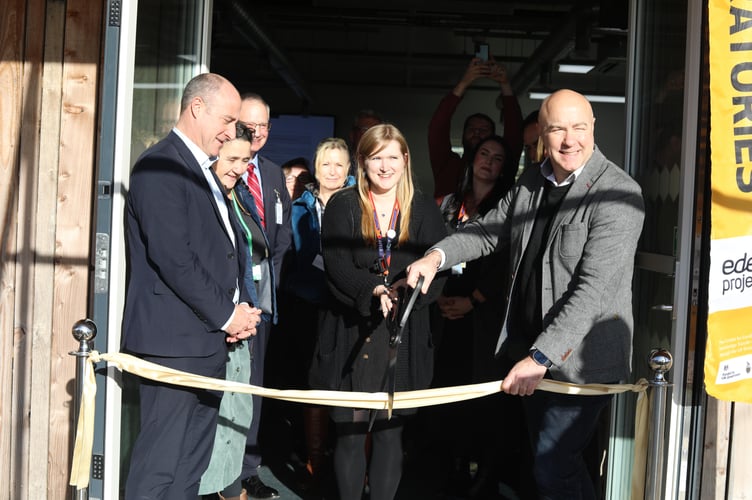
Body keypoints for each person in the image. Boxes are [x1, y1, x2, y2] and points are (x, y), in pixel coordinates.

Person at [406, 89, 645, 500]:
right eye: (557, 129)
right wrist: (436, 256)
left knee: (556, 465)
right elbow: (487, 232)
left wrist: (540, 357)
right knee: (544, 464)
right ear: (541, 138)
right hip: (530, 350)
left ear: (593, 129)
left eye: (579, 128)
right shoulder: (533, 181)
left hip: (578, 365)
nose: (570, 140)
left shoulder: (618, 195)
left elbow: (592, 291)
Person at [121, 73, 262, 500]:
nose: (231, 131)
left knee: (190, 468)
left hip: (206, 343)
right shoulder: (160, 166)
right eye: (227, 119)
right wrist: (227, 313)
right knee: (160, 468)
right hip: (173, 346)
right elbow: (175, 258)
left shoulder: (201, 169)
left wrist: (234, 314)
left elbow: (218, 252)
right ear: (196, 108)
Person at [308, 124, 447, 500]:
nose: (384, 167)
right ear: (362, 162)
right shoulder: (344, 205)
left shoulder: (422, 208)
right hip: (351, 335)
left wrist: (412, 291)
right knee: (350, 436)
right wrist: (372, 289)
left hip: (402, 336)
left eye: (392, 157)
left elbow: (440, 269)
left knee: (390, 435)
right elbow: (337, 265)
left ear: (405, 160)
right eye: (375, 158)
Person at [199, 124, 277, 500]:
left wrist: (247, 312)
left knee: (237, 417)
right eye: (232, 159)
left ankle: (231, 488)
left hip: (243, 322)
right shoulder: (201, 197)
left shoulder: (240, 196)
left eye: (246, 160)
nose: (239, 168)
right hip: (213, 326)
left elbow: (255, 252)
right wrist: (228, 316)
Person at [279, 138, 355, 490]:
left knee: (348, 383)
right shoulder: (300, 204)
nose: (333, 171)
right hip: (308, 304)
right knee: (313, 382)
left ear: (349, 169)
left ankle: (351, 465)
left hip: (349, 305)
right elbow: (290, 253)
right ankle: (314, 464)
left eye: (340, 164)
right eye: (327, 163)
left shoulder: (361, 203)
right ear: (316, 166)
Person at [237, 93, 292, 499]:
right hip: (228, 298)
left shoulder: (272, 174)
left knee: (255, 386)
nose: (256, 132)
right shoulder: (223, 166)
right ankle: (220, 473)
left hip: (265, 298)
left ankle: (247, 470)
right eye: (249, 124)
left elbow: (283, 233)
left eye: (263, 126)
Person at [428, 57, 523, 199]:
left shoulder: (502, 166)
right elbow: (437, 127)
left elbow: (515, 131)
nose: (476, 133)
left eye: (483, 130)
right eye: (471, 129)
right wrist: (464, 82)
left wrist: (505, 84)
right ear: (462, 136)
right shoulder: (448, 165)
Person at [348, 109, 384, 174]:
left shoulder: (386, 165)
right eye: (365, 130)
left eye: (375, 131)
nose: (370, 135)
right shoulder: (341, 161)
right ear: (352, 135)